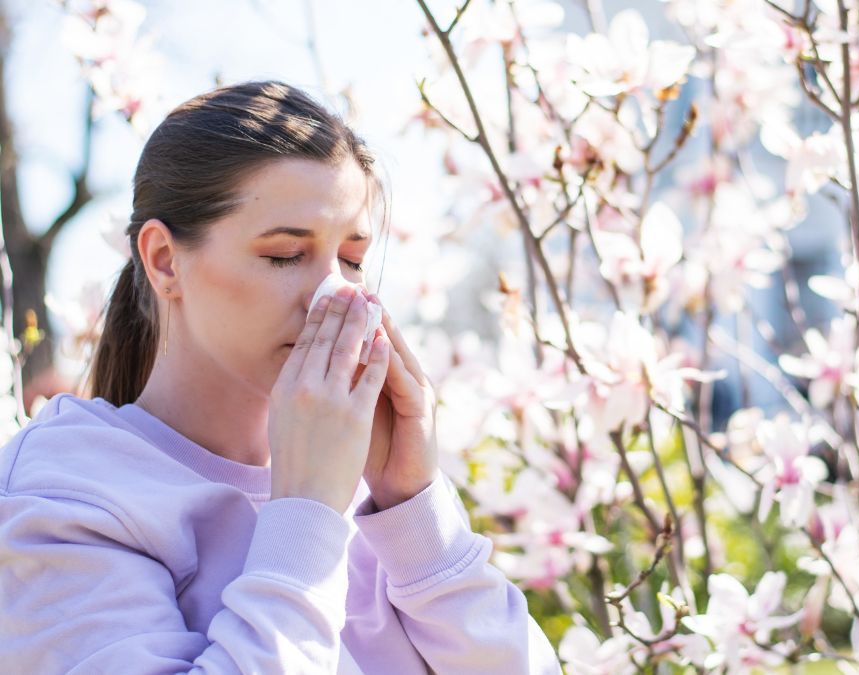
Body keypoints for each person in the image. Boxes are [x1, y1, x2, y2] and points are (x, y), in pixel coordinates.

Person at [0, 80, 562, 674]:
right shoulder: (64, 495)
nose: (333, 294)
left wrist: (416, 513)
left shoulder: (371, 495)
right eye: (285, 256)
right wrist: (306, 514)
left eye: (351, 260)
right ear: (165, 260)